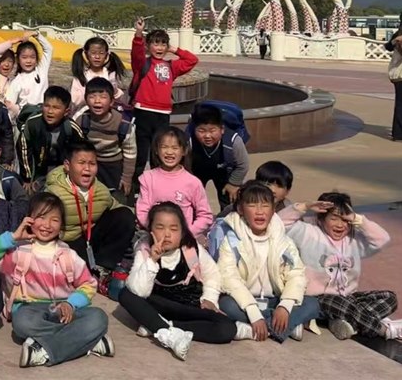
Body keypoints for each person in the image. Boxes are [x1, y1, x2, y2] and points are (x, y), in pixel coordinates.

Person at [0, 192, 114, 367]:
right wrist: (12, 237)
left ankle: (42, 350)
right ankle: (86, 340)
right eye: (41, 217)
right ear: (29, 219)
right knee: (21, 323)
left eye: (54, 220)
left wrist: (71, 304)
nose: (47, 225)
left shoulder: (69, 255)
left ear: (61, 225)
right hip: (30, 309)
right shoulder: (18, 251)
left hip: (65, 310)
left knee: (99, 317)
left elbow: (88, 284)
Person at [119, 201, 243, 361]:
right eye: (160, 227)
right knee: (126, 294)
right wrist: (152, 260)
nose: (167, 234)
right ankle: (168, 334)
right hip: (160, 305)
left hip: (189, 306)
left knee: (227, 328)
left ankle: (160, 325)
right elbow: (139, 291)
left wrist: (210, 299)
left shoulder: (191, 249)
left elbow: (212, 274)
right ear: (151, 230)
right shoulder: (145, 251)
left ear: (182, 232)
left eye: (173, 229)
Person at [280, 191, 402, 341]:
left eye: (345, 219)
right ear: (321, 219)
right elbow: (279, 223)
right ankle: (385, 330)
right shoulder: (308, 233)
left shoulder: (353, 240)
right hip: (317, 300)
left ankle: (345, 321)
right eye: (334, 218)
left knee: (389, 298)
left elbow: (382, 239)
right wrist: (305, 206)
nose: (340, 224)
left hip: (348, 298)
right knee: (342, 305)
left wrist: (357, 218)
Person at [215, 181, 320, 342]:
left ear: (273, 210)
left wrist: (285, 306)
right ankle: (285, 327)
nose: (259, 212)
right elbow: (229, 278)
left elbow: (296, 274)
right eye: (252, 205)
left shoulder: (284, 241)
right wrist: (254, 313)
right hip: (246, 300)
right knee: (226, 305)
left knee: (312, 304)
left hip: (274, 300)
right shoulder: (231, 241)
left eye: (265, 206)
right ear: (241, 209)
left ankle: (254, 329)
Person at [45, 141, 136, 276]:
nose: (87, 168)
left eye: (92, 164)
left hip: (91, 239)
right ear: (67, 166)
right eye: (81, 163)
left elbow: (116, 207)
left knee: (125, 216)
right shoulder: (54, 192)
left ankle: (104, 268)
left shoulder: (101, 190)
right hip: (67, 243)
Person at [129, 20, 199, 189]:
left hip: (163, 114)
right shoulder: (142, 64)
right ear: (148, 46)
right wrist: (139, 33)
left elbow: (192, 60)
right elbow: (136, 53)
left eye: (163, 44)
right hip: (143, 112)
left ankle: (157, 187)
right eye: (155, 43)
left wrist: (174, 49)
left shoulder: (171, 66)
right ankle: (136, 189)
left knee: (158, 152)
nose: (159, 48)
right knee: (141, 153)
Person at [136, 127, 213, 239]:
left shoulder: (193, 182)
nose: (169, 152)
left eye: (175, 148)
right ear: (156, 150)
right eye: (164, 147)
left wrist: (187, 234)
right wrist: (156, 230)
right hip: (153, 237)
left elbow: (205, 216)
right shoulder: (147, 178)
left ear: (184, 151)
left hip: (183, 238)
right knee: (141, 250)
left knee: (194, 252)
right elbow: (142, 211)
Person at [73, 77, 135, 197]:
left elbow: (130, 154)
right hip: (90, 163)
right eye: (92, 97)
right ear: (86, 100)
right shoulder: (81, 119)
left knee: (114, 196)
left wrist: (127, 178)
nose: (97, 101)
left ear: (111, 102)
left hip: (114, 164)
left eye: (103, 97)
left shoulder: (123, 124)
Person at [187, 103, 249, 211]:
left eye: (212, 131)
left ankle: (227, 218)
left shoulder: (233, 141)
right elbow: (185, 165)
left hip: (224, 172)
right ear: (194, 130)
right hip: (197, 171)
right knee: (191, 199)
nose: (207, 136)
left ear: (222, 129)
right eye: (201, 131)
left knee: (229, 200)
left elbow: (243, 165)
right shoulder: (189, 141)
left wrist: (234, 183)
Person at [16, 86, 78, 192]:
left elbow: (81, 150)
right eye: (47, 106)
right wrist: (27, 178)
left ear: (66, 111)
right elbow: (23, 150)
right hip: (37, 168)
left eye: (56, 108)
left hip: (62, 168)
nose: (50, 111)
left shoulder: (71, 128)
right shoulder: (32, 124)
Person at [69, 37, 127, 112]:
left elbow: (120, 99)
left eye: (101, 53)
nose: (97, 57)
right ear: (86, 54)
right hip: (85, 114)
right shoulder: (81, 76)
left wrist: (115, 90)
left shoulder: (110, 75)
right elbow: (75, 100)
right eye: (93, 53)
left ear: (106, 55)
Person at [2, 32, 54, 112]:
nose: (28, 61)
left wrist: (36, 34)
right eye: (24, 57)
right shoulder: (17, 81)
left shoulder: (41, 70)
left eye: (32, 57)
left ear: (36, 58)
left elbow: (49, 49)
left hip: (44, 114)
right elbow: (9, 105)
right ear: (18, 59)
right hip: (27, 118)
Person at [0, 32, 29, 101]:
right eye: (2, 60)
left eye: (10, 61)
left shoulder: (13, 83)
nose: (6, 64)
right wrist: (10, 42)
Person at [387, 16, 402, 141]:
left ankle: (398, 133)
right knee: (401, 104)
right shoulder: (399, 37)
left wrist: (394, 41)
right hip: (401, 74)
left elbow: (387, 46)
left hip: (398, 75)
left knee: (400, 104)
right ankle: (399, 133)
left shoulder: (398, 35)